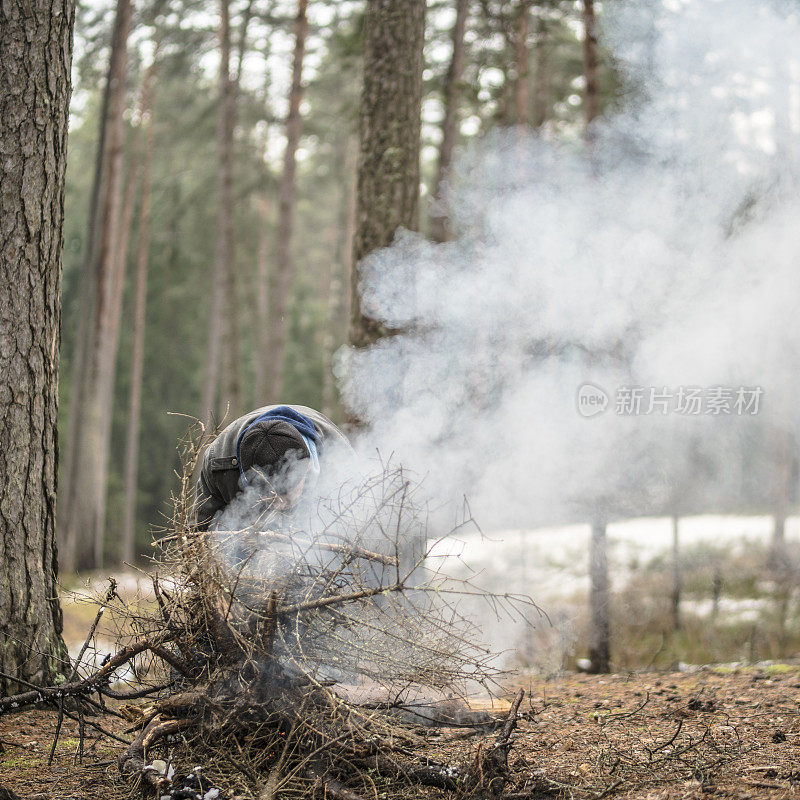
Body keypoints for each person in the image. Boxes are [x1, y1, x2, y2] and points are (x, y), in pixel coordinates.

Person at [193, 404, 350, 531]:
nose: (278, 505)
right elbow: (198, 536)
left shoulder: (341, 460)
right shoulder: (219, 460)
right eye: (269, 496)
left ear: (308, 466)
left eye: (285, 494)